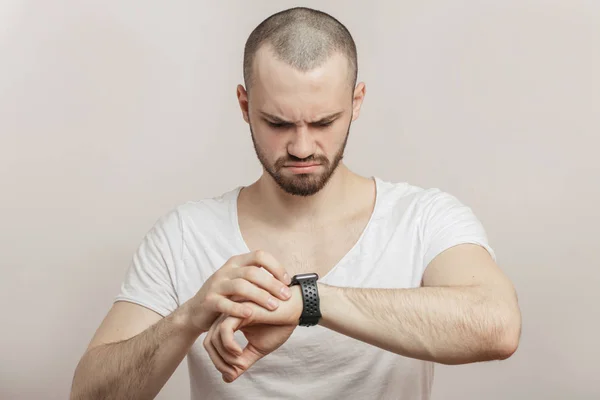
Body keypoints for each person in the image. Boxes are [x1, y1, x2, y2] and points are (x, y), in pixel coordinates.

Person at [70, 6, 521, 400]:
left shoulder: (423, 219)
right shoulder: (185, 234)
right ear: (245, 105)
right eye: (277, 122)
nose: (303, 147)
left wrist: (307, 302)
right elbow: (88, 396)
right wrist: (190, 315)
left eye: (324, 121)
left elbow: (496, 326)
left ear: (356, 101)